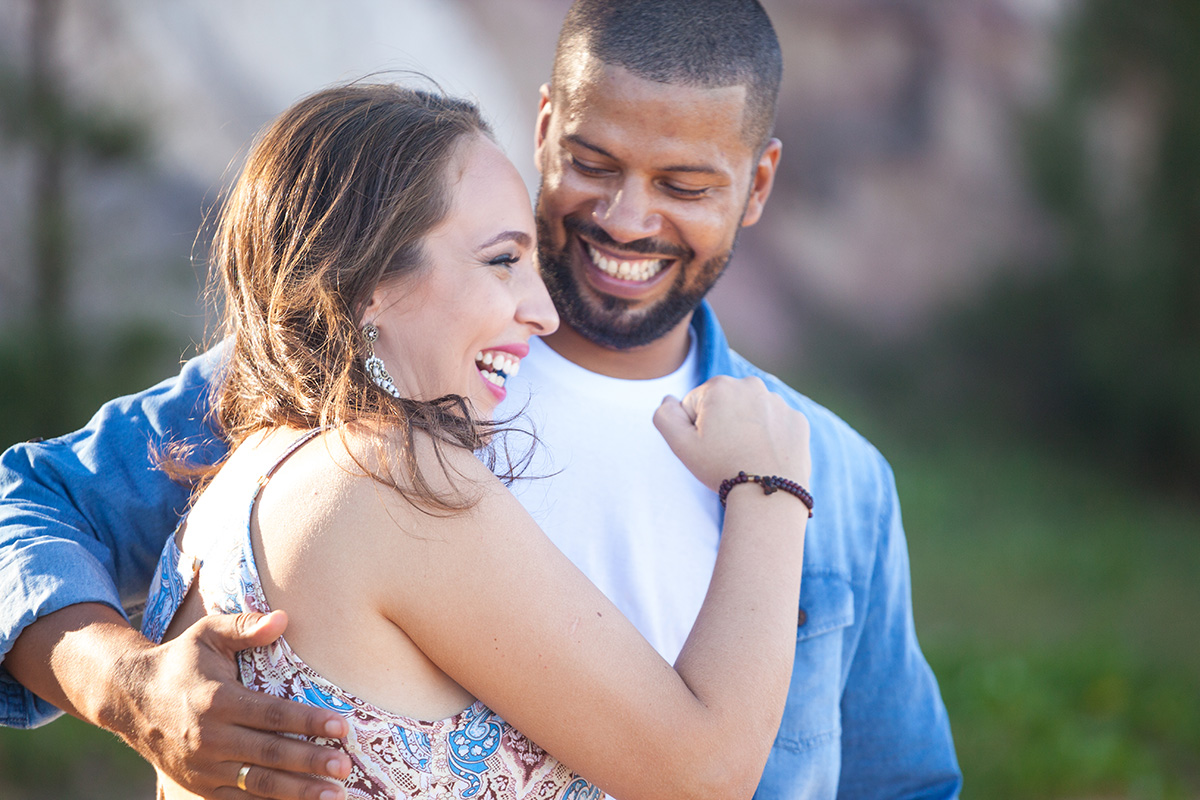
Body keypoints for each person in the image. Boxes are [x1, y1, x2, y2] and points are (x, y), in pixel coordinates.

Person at [0, 1, 961, 798]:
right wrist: (123, 683)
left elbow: (902, 785)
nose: (628, 218)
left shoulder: (837, 475)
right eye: (594, 163)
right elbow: (26, 503)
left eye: (684, 184)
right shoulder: (353, 369)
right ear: (544, 129)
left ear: (758, 184)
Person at [132, 79, 811, 800]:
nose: (543, 312)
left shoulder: (240, 478)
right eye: (502, 261)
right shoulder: (395, 481)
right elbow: (706, 776)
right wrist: (767, 486)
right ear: (370, 284)